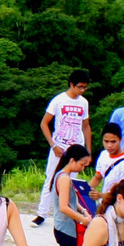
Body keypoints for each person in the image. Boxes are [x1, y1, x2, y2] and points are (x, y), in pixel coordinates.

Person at [34, 70, 91, 226]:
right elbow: (44, 123)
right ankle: (42, 213)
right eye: (80, 87)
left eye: (85, 87)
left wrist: (89, 151)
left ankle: (70, 213)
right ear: (72, 84)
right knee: (51, 179)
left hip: (77, 148)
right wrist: (53, 145)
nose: (82, 90)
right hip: (59, 146)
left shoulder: (84, 102)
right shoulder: (58, 100)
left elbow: (86, 126)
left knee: (72, 183)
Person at [47, 144, 95, 246]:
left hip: (68, 227)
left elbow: (72, 203)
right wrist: (84, 220)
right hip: (65, 228)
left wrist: (83, 211)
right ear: (72, 160)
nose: (82, 169)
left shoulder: (63, 176)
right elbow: (64, 207)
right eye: (82, 165)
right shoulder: (65, 178)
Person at [94, 121, 124, 191]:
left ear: (120, 140)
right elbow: (97, 177)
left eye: (113, 142)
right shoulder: (103, 154)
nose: (109, 145)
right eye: (106, 141)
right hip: (103, 201)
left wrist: (101, 196)